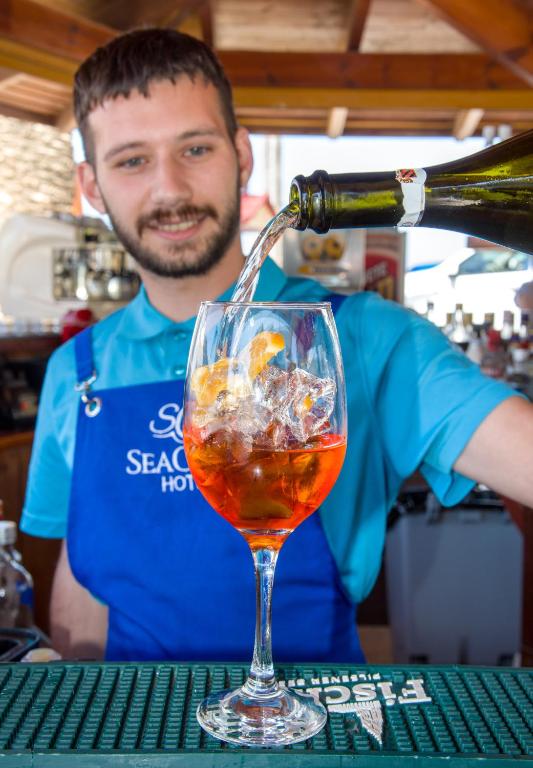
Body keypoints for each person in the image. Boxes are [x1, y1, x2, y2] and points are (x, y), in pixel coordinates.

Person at [21, 28, 533, 663]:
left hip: (319, 713)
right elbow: (82, 578)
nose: (170, 190)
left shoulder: (364, 337)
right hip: (138, 721)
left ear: (241, 154)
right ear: (92, 185)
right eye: (131, 160)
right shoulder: (75, 369)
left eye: (195, 148)